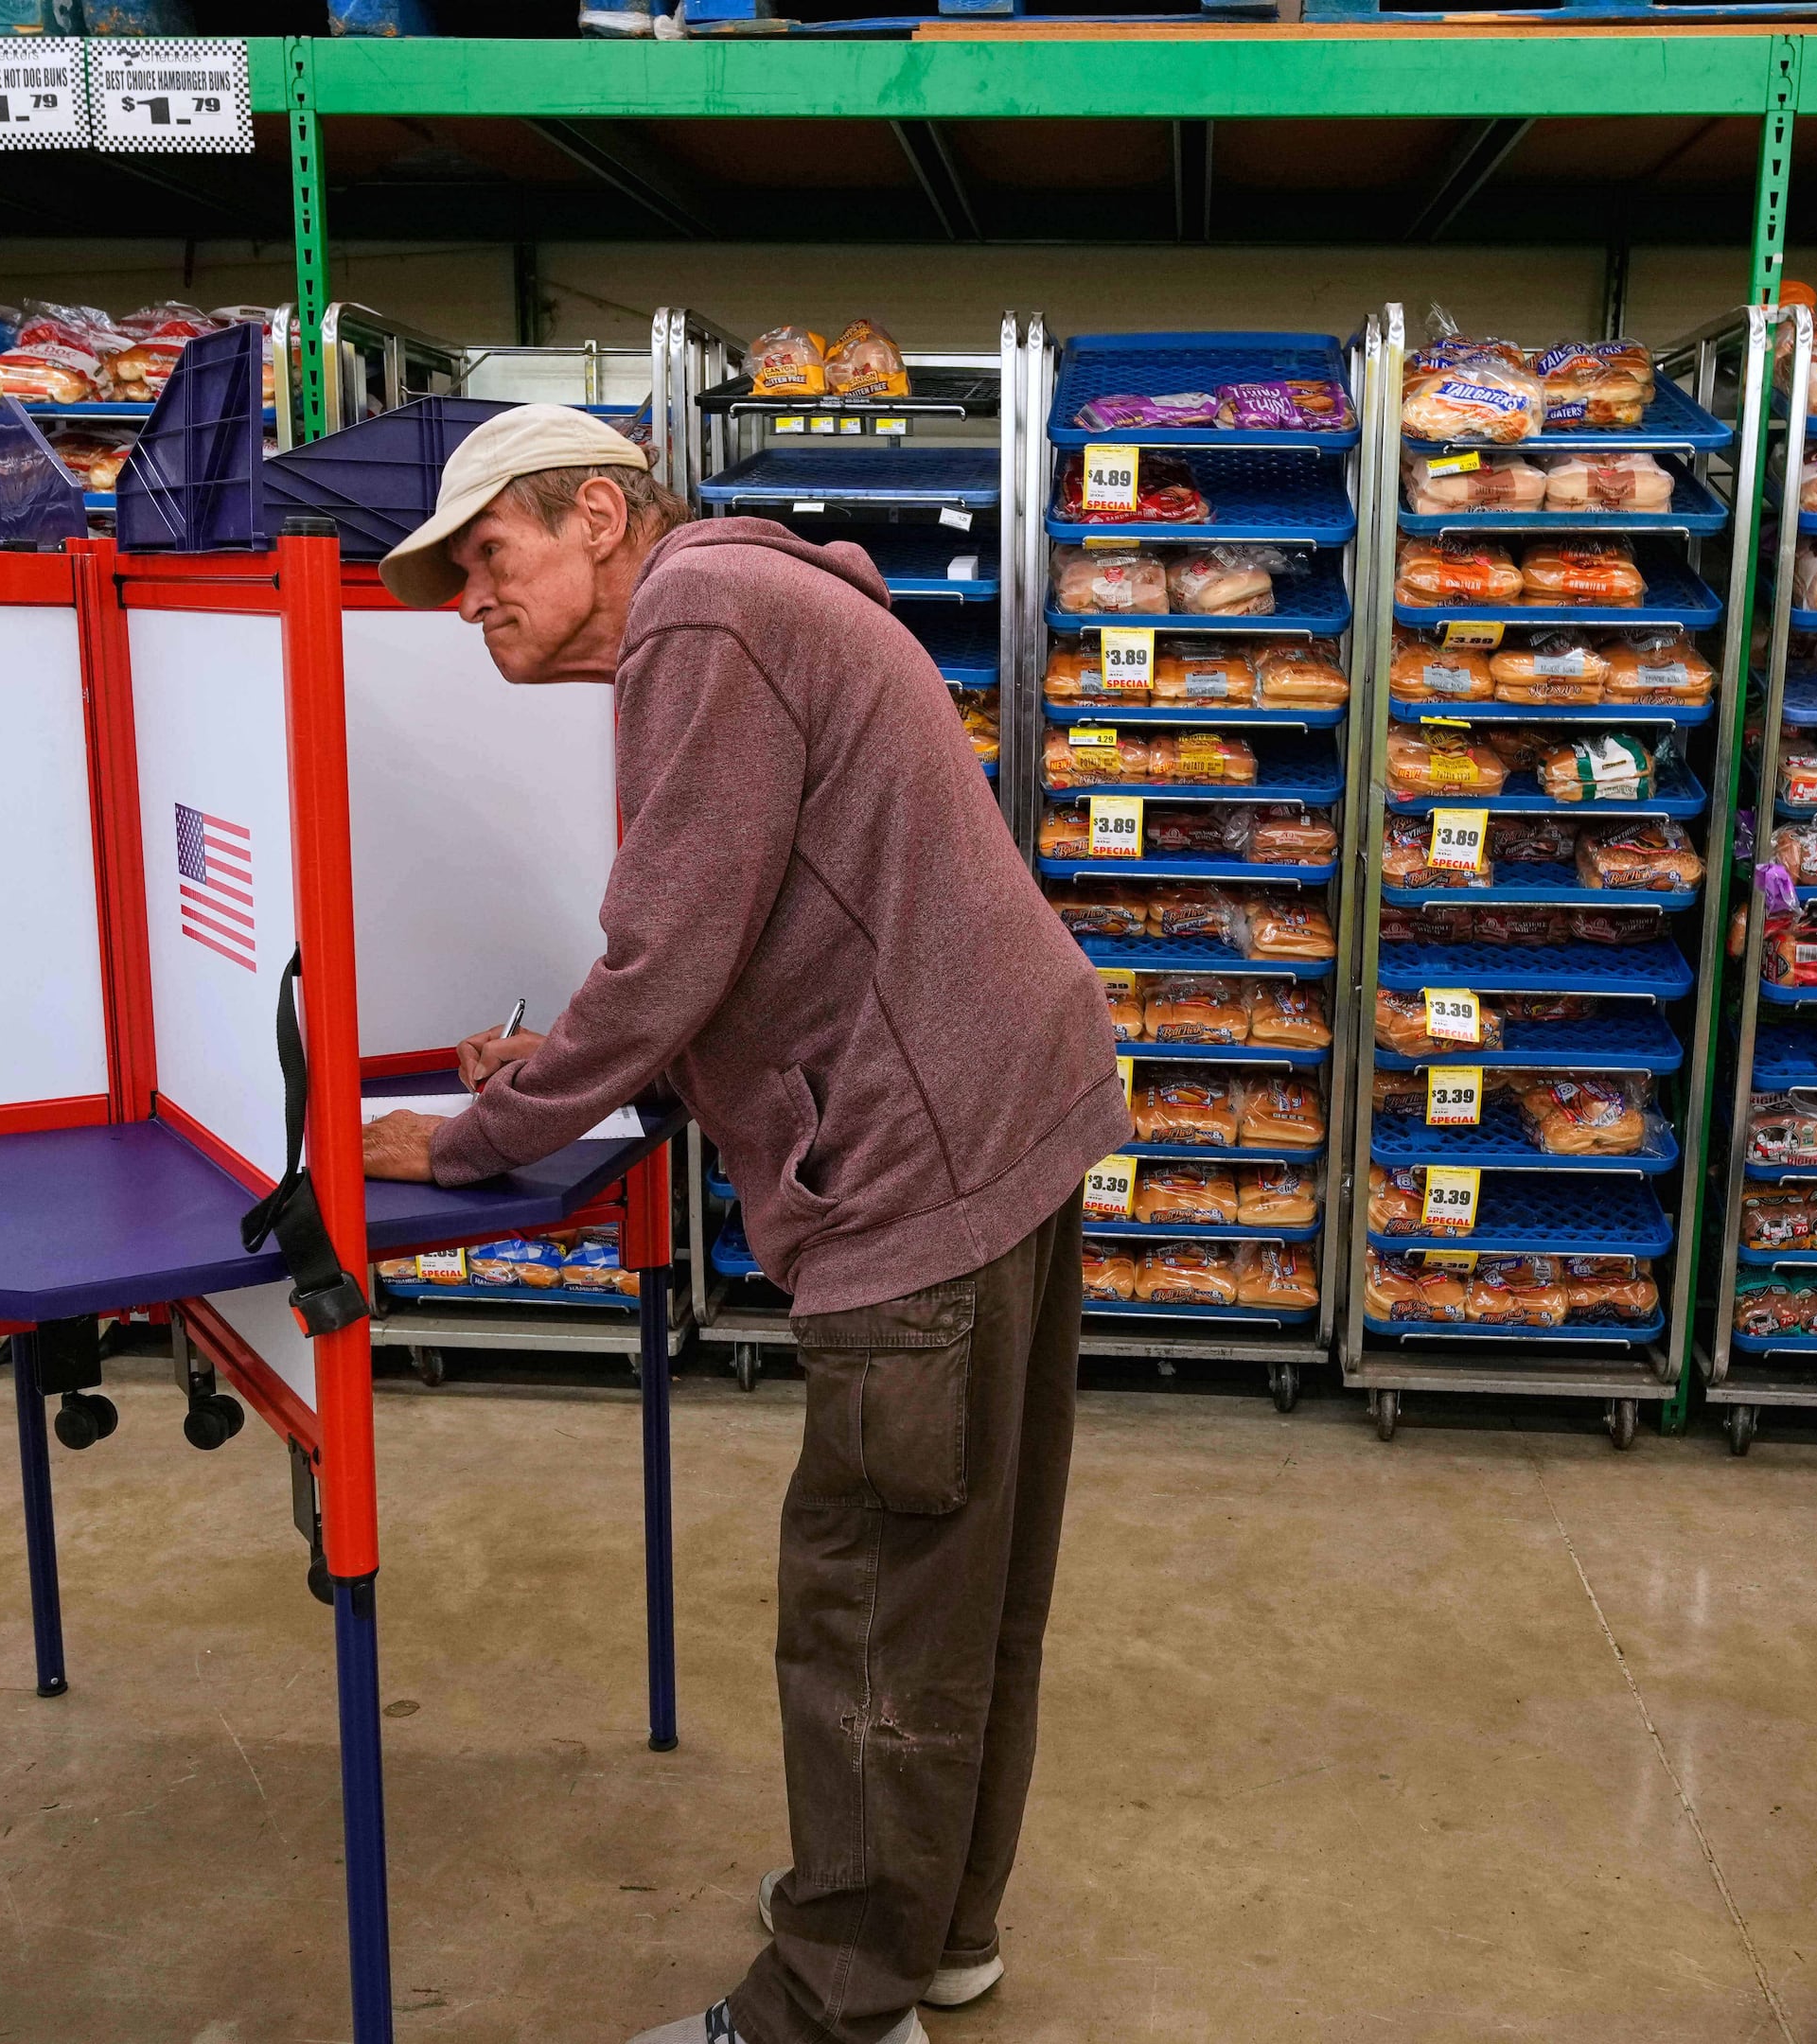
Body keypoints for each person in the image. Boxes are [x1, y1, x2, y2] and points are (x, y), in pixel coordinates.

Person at [361, 406, 1127, 2044]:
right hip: (1012, 1120)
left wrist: (479, 1135)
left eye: (489, 559)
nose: (471, 602)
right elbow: (748, 934)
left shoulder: (704, 617)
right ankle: (939, 1929)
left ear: (595, 514)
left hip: (922, 1173)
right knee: (968, 1585)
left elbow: (673, 947)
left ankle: (832, 2008)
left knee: (867, 1605)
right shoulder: (765, 602)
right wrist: (574, 1058)